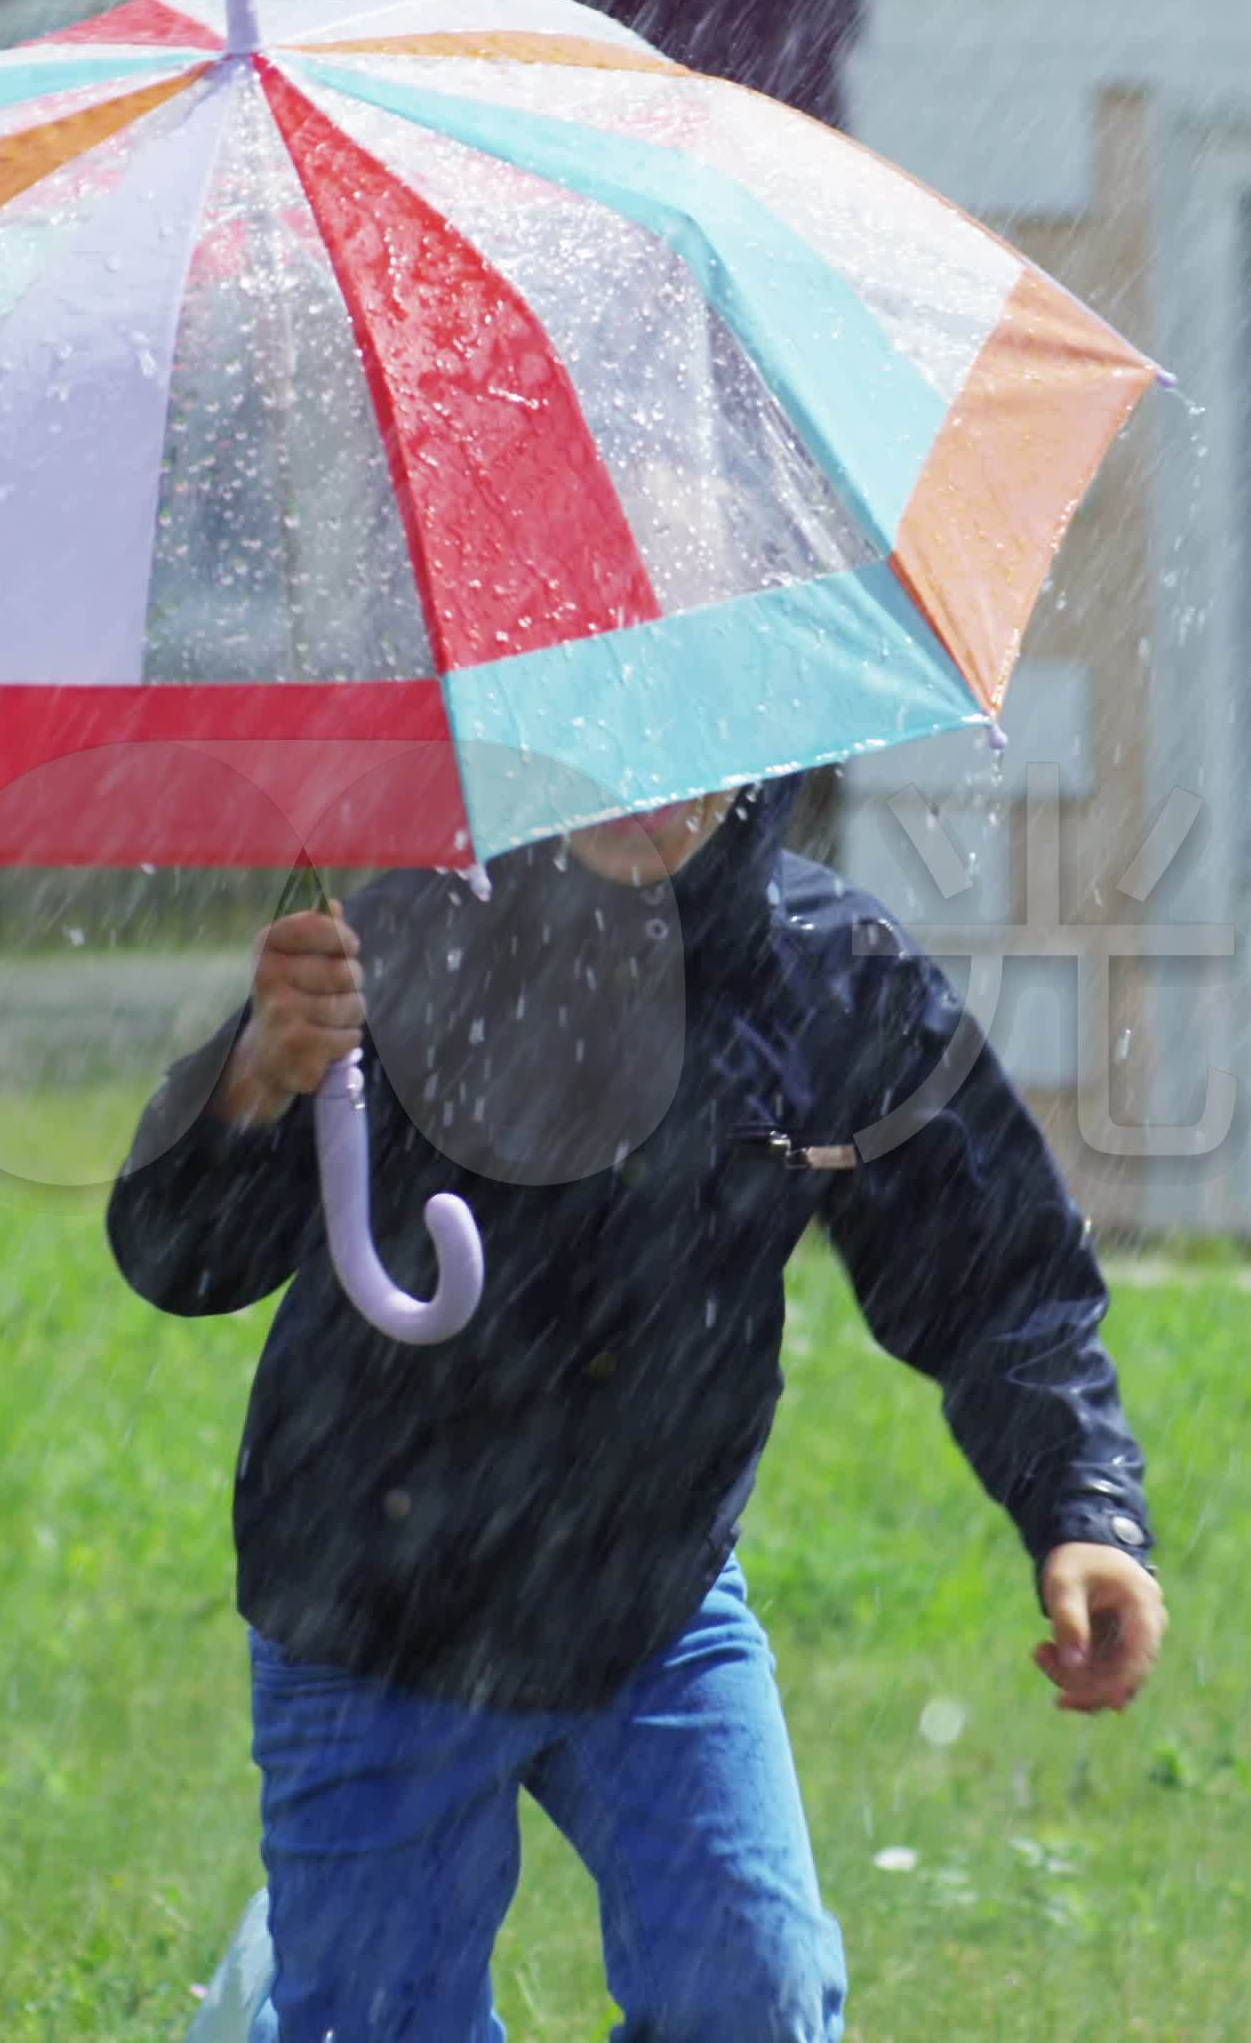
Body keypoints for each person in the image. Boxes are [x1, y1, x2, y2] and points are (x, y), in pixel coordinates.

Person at [111, 778, 1166, 2042]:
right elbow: (183, 1257)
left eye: (683, 742)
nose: (645, 782)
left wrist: (1081, 1503)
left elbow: (996, 1274)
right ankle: (284, 2003)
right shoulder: (400, 939)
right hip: (371, 1601)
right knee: (377, 2022)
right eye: (598, 736)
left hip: (648, 1601)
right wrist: (250, 1084)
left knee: (752, 2003)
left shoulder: (828, 980)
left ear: (760, 741)